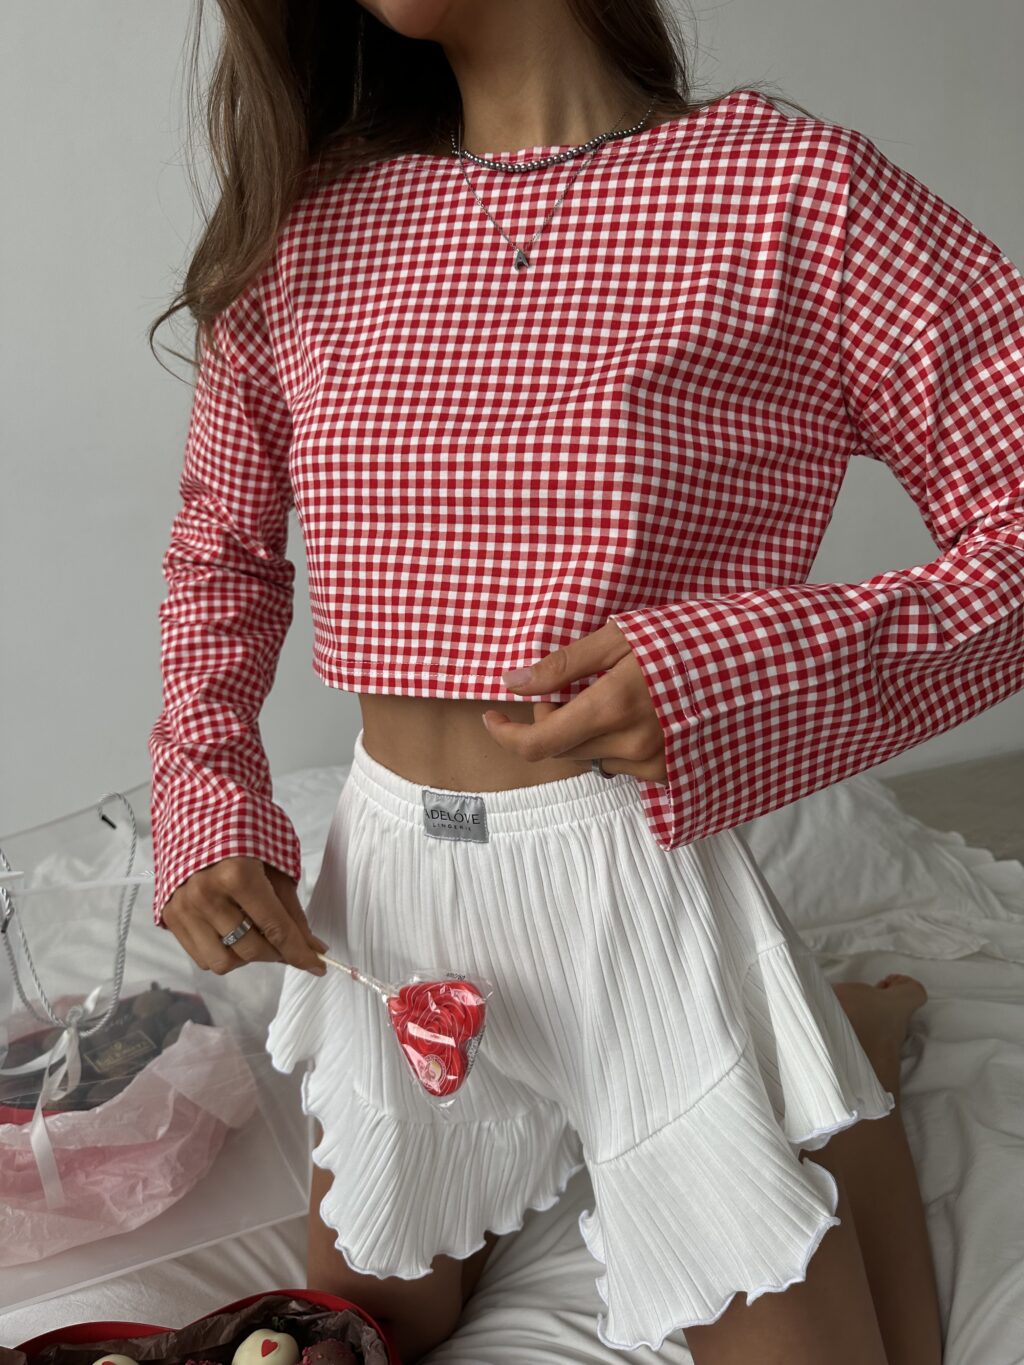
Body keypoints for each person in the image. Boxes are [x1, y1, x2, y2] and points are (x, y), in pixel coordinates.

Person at [146, 1, 1024, 1360]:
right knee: (359, 1330)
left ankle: (844, 1046)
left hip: (637, 888)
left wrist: (737, 668)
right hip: (392, 899)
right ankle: (815, 1038)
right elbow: (221, 544)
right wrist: (204, 793)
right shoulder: (312, 221)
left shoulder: (792, 194)